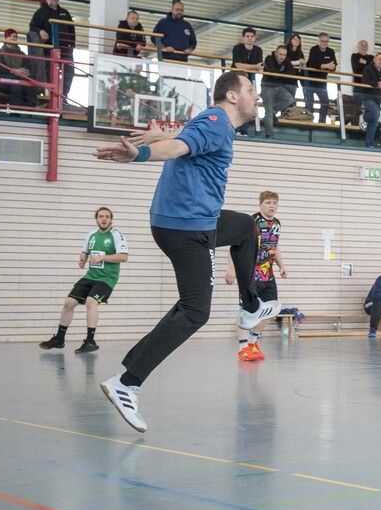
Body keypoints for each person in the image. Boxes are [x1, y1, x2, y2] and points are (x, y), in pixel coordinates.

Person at [93, 70, 259, 432]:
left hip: (192, 220)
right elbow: (180, 147)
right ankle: (127, 383)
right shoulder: (216, 123)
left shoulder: (214, 123)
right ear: (232, 96)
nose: (256, 95)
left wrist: (161, 136)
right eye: (250, 89)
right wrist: (142, 153)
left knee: (246, 227)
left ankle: (251, 306)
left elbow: (185, 139)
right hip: (187, 226)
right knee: (195, 311)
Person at [39, 207, 129, 354]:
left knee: (90, 302)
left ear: (111, 219)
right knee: (69, 302)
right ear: (96, 219)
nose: (104, 219)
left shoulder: (116, 235)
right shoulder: (91, 234)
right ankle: (59, 339)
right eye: (101, 216)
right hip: (90, 276)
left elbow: (124, 256)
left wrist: (102, 257)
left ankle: (90, 342)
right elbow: (85, 252)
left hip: (107, 278)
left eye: (107, 217)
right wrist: (82, 259)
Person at [225, 192, 286, 362]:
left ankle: (253, 342)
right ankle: (242, 348)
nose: (271, 206)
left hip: (268, 275)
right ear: (260, 205)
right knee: (247, 310)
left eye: (274, 203)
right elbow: (235, 246)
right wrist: (231, 269)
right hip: (250, 275)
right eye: (268, 202)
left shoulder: (277, 224)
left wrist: (281, 265)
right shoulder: (251, 223)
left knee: (271, 309)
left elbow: (274, 246)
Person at [28, 0, 76, 94]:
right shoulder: (40, 12)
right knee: (49, 73)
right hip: (49, 49)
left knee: (69, 73)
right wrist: (40, 31)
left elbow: (72, 30)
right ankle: (50, 96)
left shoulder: (65, 13)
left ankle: (63, 96)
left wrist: (72, 45)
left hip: (65, 50)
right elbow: (32, 27)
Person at [0, 29, 36, 107]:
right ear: (5, 38)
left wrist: (25, 71)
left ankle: (17, 108)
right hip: (4, 80)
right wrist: (14, 71)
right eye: (10, 36)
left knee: (18, 84)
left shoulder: (22, 54)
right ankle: (33, 104)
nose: (13, 38)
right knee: (18, 82)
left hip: (19, 80)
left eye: (15, 36)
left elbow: (28, 67)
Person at [261, 45, 296, 139]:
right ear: (276, 53)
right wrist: (283, 75)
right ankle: (269, 135)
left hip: (279, 87)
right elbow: (272, 72)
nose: (282, 57)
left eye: (284, 55)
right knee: (268, 111)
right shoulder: (269, 58)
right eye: (280, 54)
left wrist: (278, 75)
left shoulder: (287, 60)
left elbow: (292, 73)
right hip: (267, 86)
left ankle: (274, 112)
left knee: (290, 99)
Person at [360, 52, 381, 148]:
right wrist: (379, 85)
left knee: (374, 121)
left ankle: (369, 144)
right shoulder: (368, 69)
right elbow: (365, 81)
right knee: (376, 113)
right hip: (368, 97)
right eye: (379, 59)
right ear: (374, 60)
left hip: (379, 99)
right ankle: (363, 117)